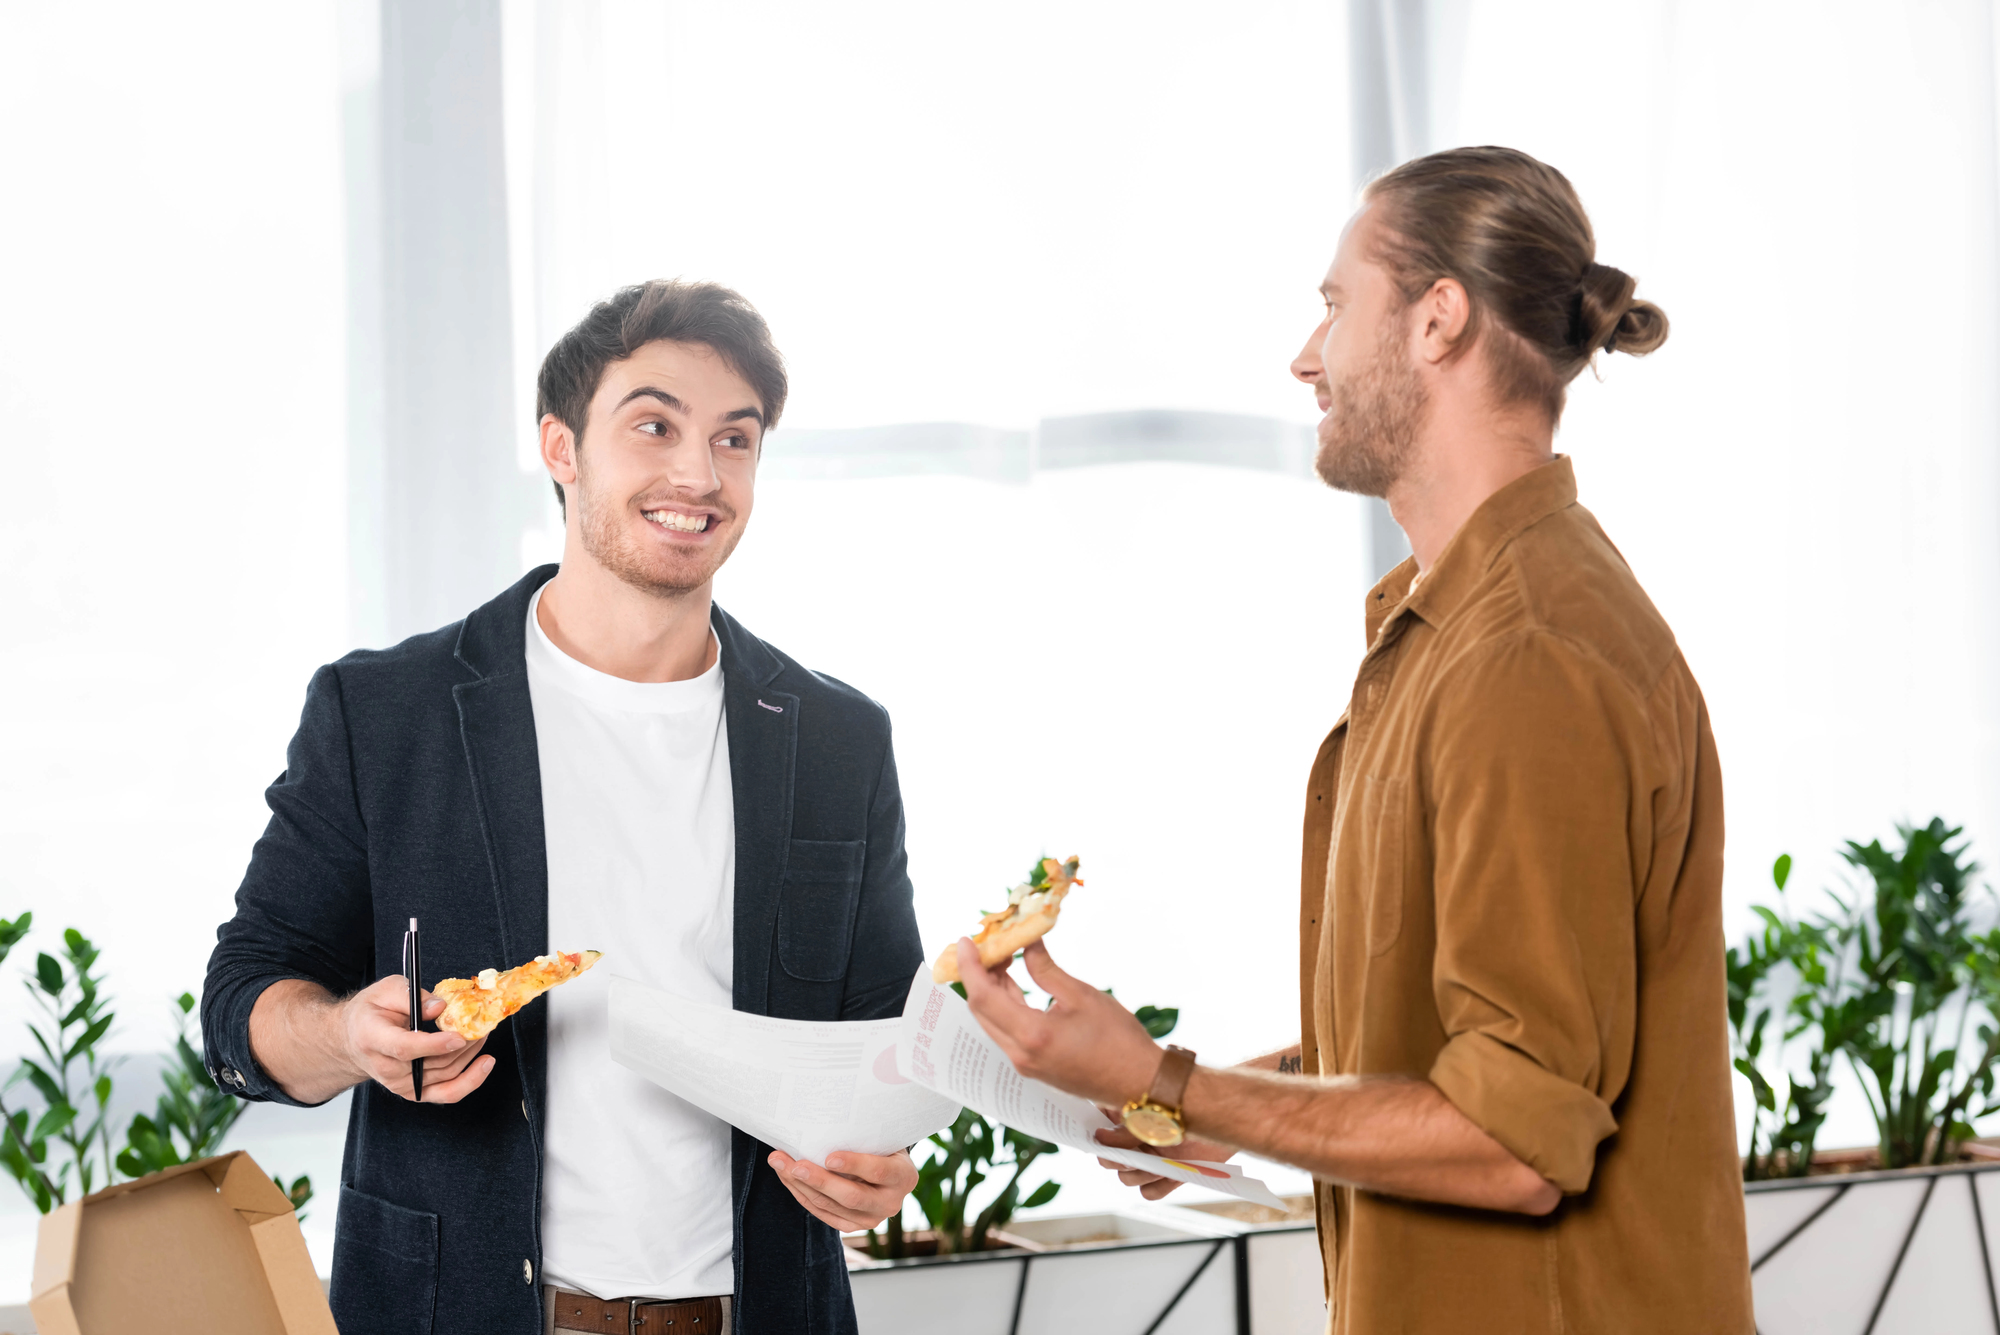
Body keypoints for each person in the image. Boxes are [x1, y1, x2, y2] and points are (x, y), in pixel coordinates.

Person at [956, 147, 1754, 1333]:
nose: (1303, 354)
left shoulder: (1525, 654)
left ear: (1438, 320)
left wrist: (1163, 1080)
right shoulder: (1448, 628)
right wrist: (1171, 1107)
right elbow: (1436, 1053)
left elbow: (1510, 1136)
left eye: (1333, 306)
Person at [202, 280, 922, 1335]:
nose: (697, 472)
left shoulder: (837, 739)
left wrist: (884, 1158)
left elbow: (885, 1047)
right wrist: (345, 1036)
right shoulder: (384, 714)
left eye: (735, 439)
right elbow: (241, 1001)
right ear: (560, 447)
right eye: (653, 425)